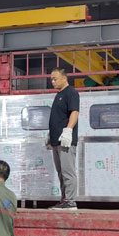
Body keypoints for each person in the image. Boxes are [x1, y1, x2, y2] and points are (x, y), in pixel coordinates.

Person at [48, 67, 80, 209]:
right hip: (56, 140)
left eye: (55, 79)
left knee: (68, 171)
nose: (53, 82)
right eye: (51, 79)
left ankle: (71, 201)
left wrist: (68, 130)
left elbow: (74, 112)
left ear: (64, 78)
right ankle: (64, 199)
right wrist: (51, 135)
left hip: (65, 140)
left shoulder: (71, 93)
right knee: (61, 172)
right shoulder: (58, 95)